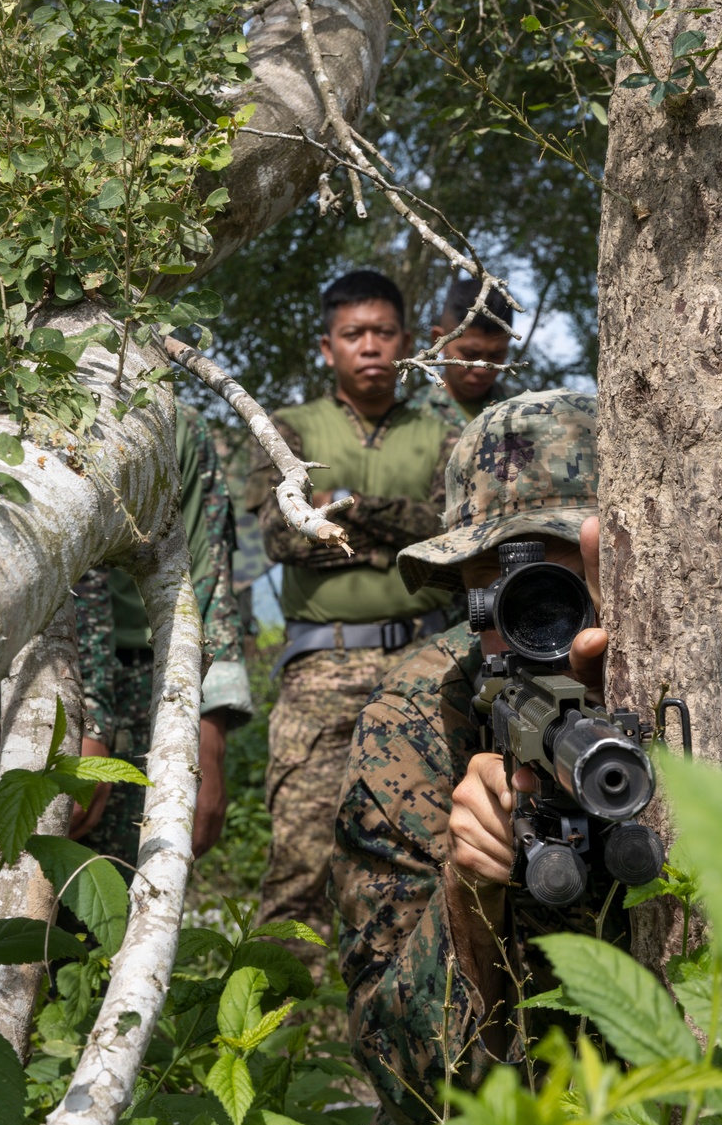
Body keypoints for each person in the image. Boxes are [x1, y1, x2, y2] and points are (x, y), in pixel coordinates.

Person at [330, 390, 722, 1125]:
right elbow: (413, 1093)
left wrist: (669, 737)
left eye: (565, 589)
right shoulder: (418, 720)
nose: (537, 625)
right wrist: (470, 896)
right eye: (500, 594)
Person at [245, 268, 459, 956]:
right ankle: (273, 1035)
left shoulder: (444, 436)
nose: (371, 346)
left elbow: (451, 538)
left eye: (384, 332)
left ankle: (394, 1031)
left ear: (406, 340)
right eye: (353, 334)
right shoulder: (287, 431)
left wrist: (354, 510)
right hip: (321, 668)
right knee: (300, 862)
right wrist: (401, 543)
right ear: (326, 346)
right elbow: (285, 537)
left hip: (424, 667)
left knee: (419, 853)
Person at [70, 402, 252, 864]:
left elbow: (209, 576)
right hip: (29, 678)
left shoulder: (176, 422)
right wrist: (92, 720)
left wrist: (206, 737)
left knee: (123, 886)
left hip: (149, 681)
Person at [410, 276, 516, 428]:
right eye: (470, 354)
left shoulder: (528, 411)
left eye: (496, 355)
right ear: (439, 342)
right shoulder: (411, 416)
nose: (482, 369)